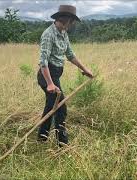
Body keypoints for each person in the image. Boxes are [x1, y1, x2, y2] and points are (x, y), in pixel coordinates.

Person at [37, 5, 93, 147]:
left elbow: (70, 55)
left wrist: (85, 69)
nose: (72, 24)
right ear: (65, 19)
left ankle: (42, 137)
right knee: (61, 107)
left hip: (55, 74)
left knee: (51, 106)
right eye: (72, 21)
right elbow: (43, 62)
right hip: (47, 75)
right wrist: (50, 83)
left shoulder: (63, 33)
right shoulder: (48, 34)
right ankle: (62, 143)